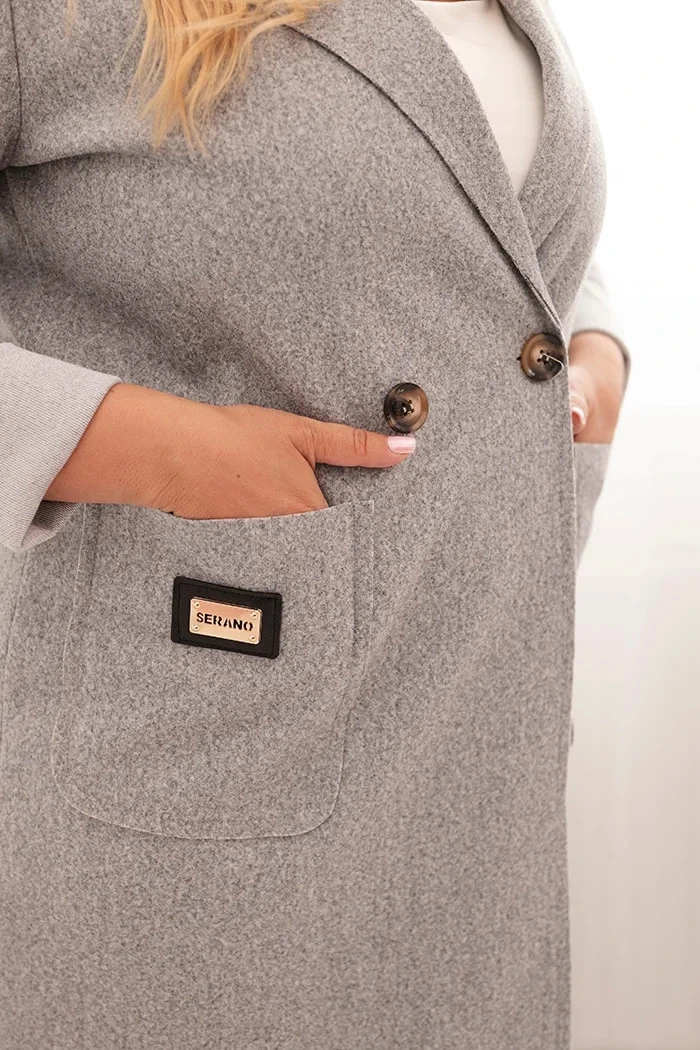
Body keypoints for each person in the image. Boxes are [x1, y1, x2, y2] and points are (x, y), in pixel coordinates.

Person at [0, 0, 629, 1046]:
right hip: (190, 790)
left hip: (471, 742)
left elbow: (476, 218)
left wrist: (596, 347)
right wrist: (155, 444)